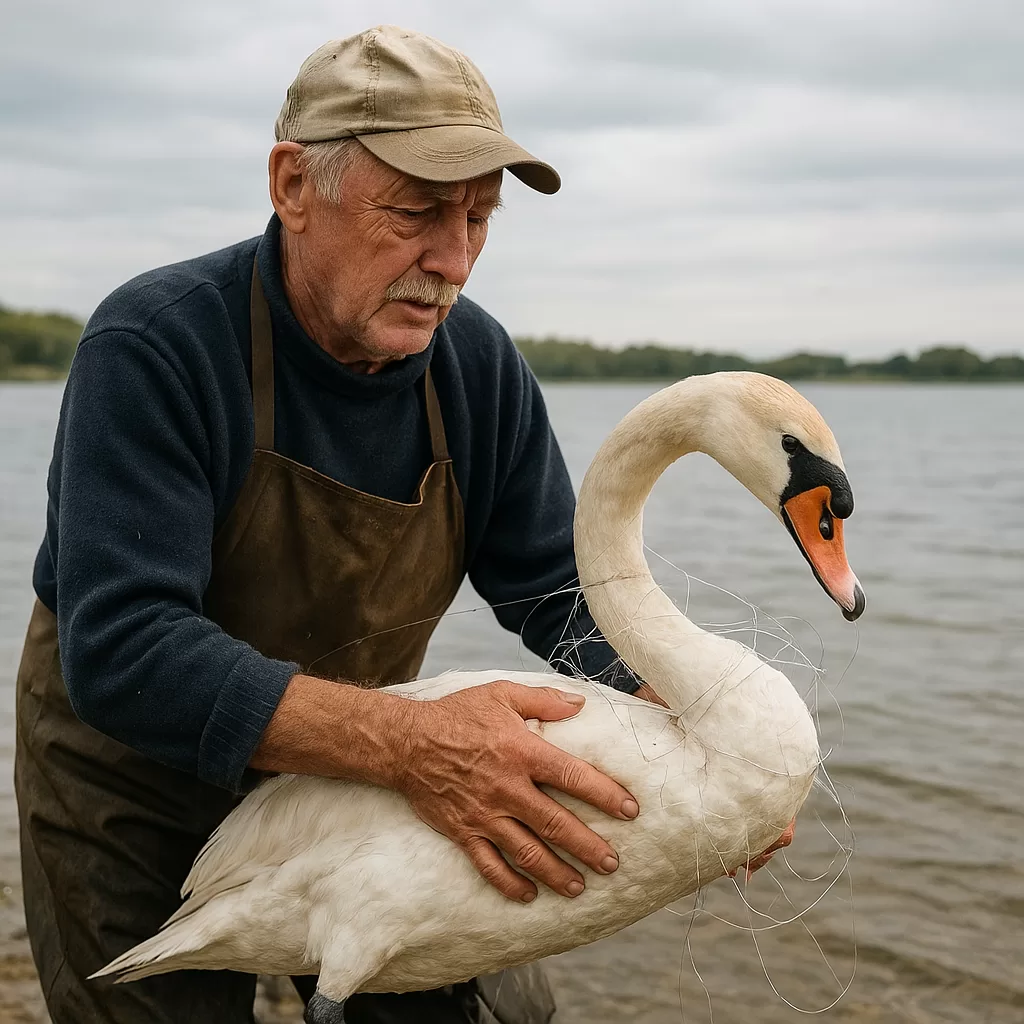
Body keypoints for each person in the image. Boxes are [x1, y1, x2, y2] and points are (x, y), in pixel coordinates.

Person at [14, 25, 661, 1024]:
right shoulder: (152, 345)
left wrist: (682, 710)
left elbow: (554, 586)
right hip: (132, 791)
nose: (452, 261)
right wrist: (412, 744)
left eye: (479, 220)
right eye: (415, 213)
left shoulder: (477, 369)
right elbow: (125, 650)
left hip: (358, 771)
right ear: (291, 186)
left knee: (477, 1005)